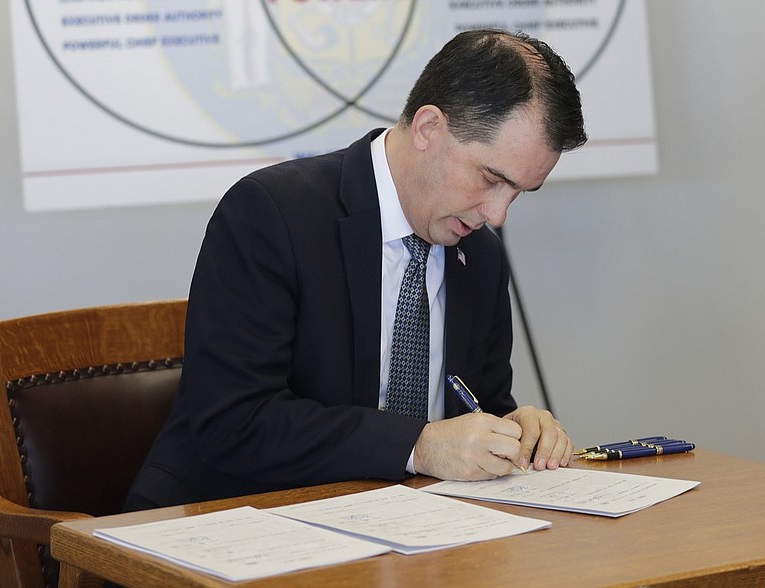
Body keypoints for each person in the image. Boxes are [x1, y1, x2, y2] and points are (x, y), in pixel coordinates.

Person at [126, 28, 587, 510]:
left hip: (401, 532)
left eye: (517, 193)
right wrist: (417, 445)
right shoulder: (271, 214)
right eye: (491, 179)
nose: (497, 215)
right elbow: (235, 422)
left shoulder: (481, 257)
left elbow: (473, 407)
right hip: (232, 520)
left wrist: (514, 430)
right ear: (429, 127)